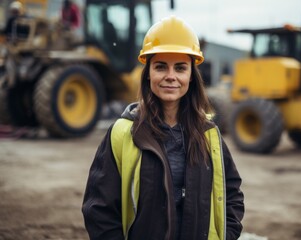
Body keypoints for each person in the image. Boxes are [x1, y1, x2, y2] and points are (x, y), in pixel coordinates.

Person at [82, 16, 244, 240]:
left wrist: (227, 234)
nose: (171, 76)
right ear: (148, 74)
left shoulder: (209, 135)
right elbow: (99, 209)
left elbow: (231, 193)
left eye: (180, 68)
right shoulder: (122, 133)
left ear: (191, 76)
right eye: (161, 67)